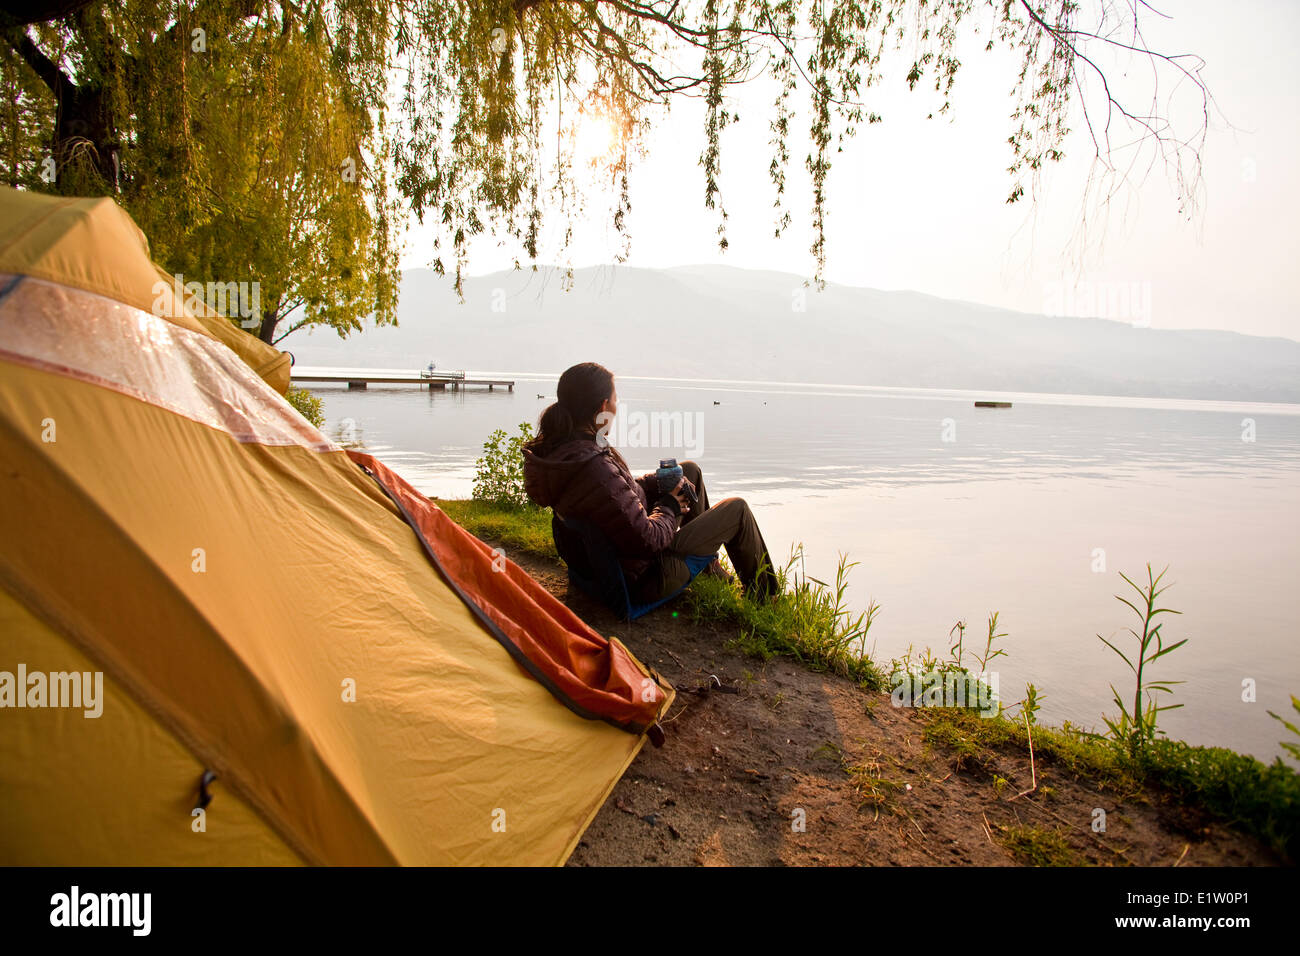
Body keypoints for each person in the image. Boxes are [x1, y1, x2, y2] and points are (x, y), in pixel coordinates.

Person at [521, 362, 781, 606]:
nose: (617, 407)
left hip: (603, 569)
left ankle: (709, 568)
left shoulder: (567, 452)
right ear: (603, 407)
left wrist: (656, 482)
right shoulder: (594, 466)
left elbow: (614, 494)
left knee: (689, 470)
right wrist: (671, 504)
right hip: (641, 580)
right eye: (615, 400)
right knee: (736, 509)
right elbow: (649, 540)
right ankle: (766, 597)